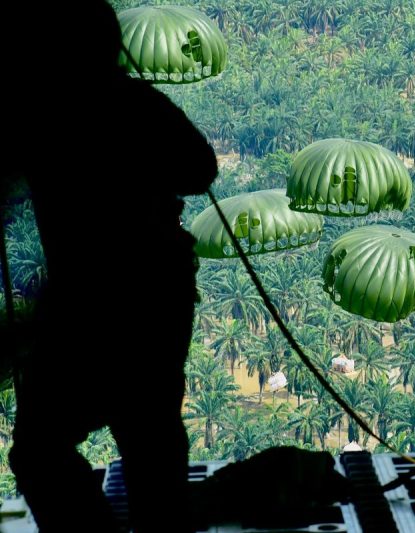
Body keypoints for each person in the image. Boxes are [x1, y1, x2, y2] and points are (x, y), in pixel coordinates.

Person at [3, 2, 217, 530]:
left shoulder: (36, 112)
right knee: (151, 437)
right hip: (154, 288)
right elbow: (200, 170)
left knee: (38, 451)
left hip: (84, 298)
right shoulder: (138, 104)